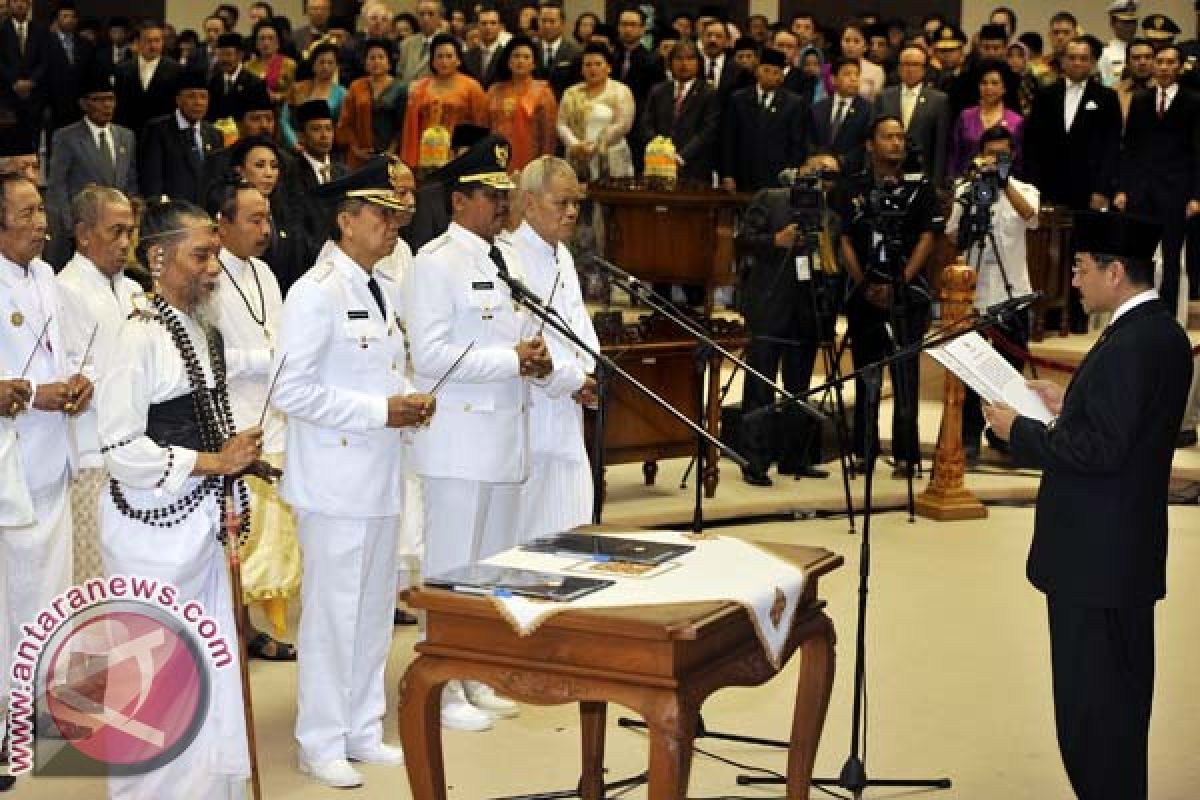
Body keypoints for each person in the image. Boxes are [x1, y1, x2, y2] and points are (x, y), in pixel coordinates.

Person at [983, 211, 1192, 800]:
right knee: (1117, 703)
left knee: (1093, 713)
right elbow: (1124, 426)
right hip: (1121, 549)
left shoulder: (1134, 341)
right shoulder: (1157, 332)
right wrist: (1066, 402)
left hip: (1095, 559)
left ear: (1115, 271)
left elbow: (1100, 450)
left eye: (1080, 269)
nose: (1074, 281)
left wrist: (1020, 430)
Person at [273, 161, 434, 788]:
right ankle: (320, 738)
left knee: (371, 612)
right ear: (345, 221)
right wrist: (380, 410)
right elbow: (293, 389)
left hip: (380, 476)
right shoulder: (314, 293)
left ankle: (362, 727)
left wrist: (410, 399)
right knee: (333, 614)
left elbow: (385, 371)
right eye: (379, 215)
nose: (392, 225)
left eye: (395, 215)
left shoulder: (381, 288)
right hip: (335, 481)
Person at [96, 199, 260, 799]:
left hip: (202, 527)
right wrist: (212, 461)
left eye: (216, 252)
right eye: (201, 254)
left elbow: (208, 418)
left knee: (209, 671)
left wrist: (234, 461)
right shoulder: (136, 336)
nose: (214, 266)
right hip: (151, 537)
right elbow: (119, 445)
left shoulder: (203, 331)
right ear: (158, 257)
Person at [405, 135, 550, 731]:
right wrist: (512, 359)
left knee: (491, 568)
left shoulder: (506, 259)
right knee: (452, 568)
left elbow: (518, 332)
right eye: (490, 195)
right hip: (459, 441)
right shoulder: (434, 263)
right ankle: (442, 688)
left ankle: (479, 672)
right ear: (459, 200)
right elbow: (432, 355)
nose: (501, 205)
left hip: (503, 437)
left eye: (504, 194)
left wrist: (535, 357)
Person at [0, 174, 90, 791]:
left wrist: (78, 384)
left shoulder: (48, 280)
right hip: (6, 465)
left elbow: (71, 356)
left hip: (50, 462)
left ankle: (31, 710)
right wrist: (28, 393)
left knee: (46, 596)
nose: (42, 223)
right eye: (28, 212)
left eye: (41, 211)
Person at [207, 178, 300, 657]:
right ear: (222, 225)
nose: (265, 229)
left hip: (274, 415)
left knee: (269, 539)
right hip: (233, 421)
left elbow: (282, 336)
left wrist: (276, 357)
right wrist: (269, 357)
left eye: (267, 218)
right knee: (238, 537)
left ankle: (251, 630)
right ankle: (229, 631)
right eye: (253, 220)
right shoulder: (208, 275)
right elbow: (216, 355)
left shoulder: (265, 272)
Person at [833, 115, 940, 475]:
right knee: (867, 373)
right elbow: (844, 238)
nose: (896, 143)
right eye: (888, 137)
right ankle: (864, 450)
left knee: (905, 374)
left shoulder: (921, 188)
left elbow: (928, 237)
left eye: (901, 137)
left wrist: (901, 281)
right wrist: (864, 283)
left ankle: (908, 455)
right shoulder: (852, 187)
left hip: (907, 293)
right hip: (864, 291)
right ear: (870, 143)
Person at [504, 156, 597, 538]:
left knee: (574, 522)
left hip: (569, 408)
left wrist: (592, 371)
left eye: (576, 203)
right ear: (528, 203)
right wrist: (574, 378)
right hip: (532, 409)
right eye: (562, 203)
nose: (572, 212)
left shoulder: (562, 254)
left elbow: (579, 325)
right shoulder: (510, 257)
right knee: (533, 532)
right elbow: (527, 342)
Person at [735, 154, 841, 486]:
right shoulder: (770, 198)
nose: (821, 181)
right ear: (799, 172)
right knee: (759, 386)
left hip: (807, 311)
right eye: (815, 173)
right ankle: (755, 461)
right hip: (768, 306)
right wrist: (775, 241)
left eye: (830, 177)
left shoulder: (832, 219)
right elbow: (742, 242)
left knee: (799, 389)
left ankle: (795, 458)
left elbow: (830, 268)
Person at [55, 187, 139, 585]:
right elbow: (75, 379)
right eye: (115, 231)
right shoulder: (63, 290)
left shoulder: (133, 290)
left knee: (130, 580)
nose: (125, 243)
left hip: (137, 453)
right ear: (84, 234)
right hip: (91, 456)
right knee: (93, 583)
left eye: (131, 232)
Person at [946, 126, 1038, 462]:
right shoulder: (966, 189)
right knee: (971, 371)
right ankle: (968, 437)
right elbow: (952, 233)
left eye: (1002, 155)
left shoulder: (1024, 189)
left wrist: (1003, 182)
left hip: (1012, 292)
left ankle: (1006, 437)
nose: (994, 161)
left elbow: (1031, 216)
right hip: (974, 294)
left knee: (1010, 372)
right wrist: (971, 189)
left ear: (1012, 156)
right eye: (990, 154)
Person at [1115, 43, 1200, 317]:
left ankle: (1168, 315)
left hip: (1176, 191)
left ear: (1179, 66)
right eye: (1159, 62)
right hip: (1141, 190)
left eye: (1169, 62)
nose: (1163, 67)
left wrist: (1196, 195)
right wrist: (1123, 189)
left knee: (1172, 257)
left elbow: (1198, 152)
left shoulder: (1193, 102)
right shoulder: (1140, 100)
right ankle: (1140, 312)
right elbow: (1130, 149)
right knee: (1139, 256)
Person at [45, 67, 139, 267]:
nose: (107, 105)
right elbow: (57, 186)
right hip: (82, 233)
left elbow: (130, 180)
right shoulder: (66, 137)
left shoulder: (126, 136)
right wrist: (71, 228)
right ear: (84, 104)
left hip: (117, 231)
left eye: (110, 99)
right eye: (99, 100)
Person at [226, 134, 310, 294]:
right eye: (259, 165)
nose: (269, 173)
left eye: (274, 166)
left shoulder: (286, 210)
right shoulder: (230, 212)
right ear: (240, 171)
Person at [719, 47, 806, 192]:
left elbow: (796, 144)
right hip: (743, 175)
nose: (770, 76)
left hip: (776, 178)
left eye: (775, 72)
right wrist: (728, 174)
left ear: (781, 77)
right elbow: (728, 140)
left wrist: (791, 176)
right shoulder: (738, 99)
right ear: (757, 71)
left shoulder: (794, 103)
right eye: (766, 70)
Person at [399, 33, 487, 170]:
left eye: (449, 56)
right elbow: (410, 129)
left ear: (458, 60)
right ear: (432, 61)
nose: (444, 61)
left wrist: (468, 154)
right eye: (439, 56)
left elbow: (480, 123)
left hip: (459, 157)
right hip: (425, 158)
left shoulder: (471, 86)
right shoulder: (420, 88)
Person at [640, 38, 720, 186]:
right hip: (659, 166)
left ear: (699, 63)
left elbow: (708, 130)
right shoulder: (658, 91)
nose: (684, 64)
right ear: (670, 63)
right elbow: (647, 124)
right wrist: (661, 151)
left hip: (694, 167)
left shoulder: (709, 93)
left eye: (690, 59)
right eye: (679, 58)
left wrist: (680, 157)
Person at [139, 69, 223, 204]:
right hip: (172, 214)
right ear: (178, 100)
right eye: (191, 96)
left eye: (203, 97)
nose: (198, 102)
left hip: (205, 215)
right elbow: (151, 181)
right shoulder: (158, 130)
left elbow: (217, 181)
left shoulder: (214, 134)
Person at [557, 42, 636, 180]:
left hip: (610, 156)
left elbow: (623, 124)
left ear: (609, 67)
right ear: (581, 69)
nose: (592, 69)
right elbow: (561, 124)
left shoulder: (621, 91)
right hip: (577, 155)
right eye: (587, 65)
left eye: (598, 64)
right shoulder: (571, 92)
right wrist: (574, 144)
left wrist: (596, 145)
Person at [874, 43, 950, 186]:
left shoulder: (939, 100)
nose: (910, 69)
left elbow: (940, 146)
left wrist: (937, 182)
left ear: (924, 69)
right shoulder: (884, 96)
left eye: (915, 64)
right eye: (905, 64)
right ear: (898, 67)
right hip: (888, 173)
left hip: (922, 172)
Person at [486, 35, 557, 172]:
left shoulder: (543, 92)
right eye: (516, 56)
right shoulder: (494, 90)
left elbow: (549, 135)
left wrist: (544, 166)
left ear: (534, 63)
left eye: (526, 57)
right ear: (508, 61)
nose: (520, 61)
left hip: (531, 163)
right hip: (495, 160)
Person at [336, 38, 407, 170]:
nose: (376, 62)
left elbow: (402, 126)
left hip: (391, 155)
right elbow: (346, 123)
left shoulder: (400, 88)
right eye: (372, 58)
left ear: (389, 63)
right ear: (365, 63)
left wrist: (390, 152)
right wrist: (357, 150)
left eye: (381, 57)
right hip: (359, 155)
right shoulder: (356, 86)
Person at [948, 60, 1023, 178]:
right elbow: (954, 156)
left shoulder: (1016, 121)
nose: (988, 88)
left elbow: (1019, 162)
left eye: (994, 83)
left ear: (1004, 88)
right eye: (984, 83)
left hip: (1006, 185)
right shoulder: (965, 116)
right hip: (966, 183)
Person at [113, 19, 182, 136]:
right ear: (138, 42)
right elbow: (119, 106)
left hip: (164, 134)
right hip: (130, 133)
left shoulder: (176, 70)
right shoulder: (123, 69)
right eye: (148, 41)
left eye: (157, 41)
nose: (153, 45)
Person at [809, 57, 873, 176]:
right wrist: (820, 159)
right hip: (818, 171)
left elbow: (865, 146)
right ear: (833, 79)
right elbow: (809, 139)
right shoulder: (817, 108)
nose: (853, 78)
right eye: (847, 74)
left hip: (851, 174)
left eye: (856, 74)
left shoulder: (867, 110)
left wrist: (839, 162)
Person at [282, 41, 346, 149]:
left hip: (326, 147)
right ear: (313, 65)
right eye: (321, 62)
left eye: (330, 63)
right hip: (297, 146)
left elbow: (341, 126)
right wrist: (293, 142)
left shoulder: (342, 93)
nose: (325, 66)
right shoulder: (297, 88)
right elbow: (284, 119)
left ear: (336, 66)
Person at [207, 32, 264, 125]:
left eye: (228, 55)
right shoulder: (212, 82)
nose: (224, 59)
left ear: (240, 55)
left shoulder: (255, 83)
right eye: (220, 55)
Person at [538, 1, 582, 98]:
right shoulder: (530, 50)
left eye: (552, 21)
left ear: (562, 24)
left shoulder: (575, 52)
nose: (547, 26)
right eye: (543, 21)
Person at [396, 0, 443, 84]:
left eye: (431, 14)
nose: (426, 18)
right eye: (421, 14)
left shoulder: (448, 43)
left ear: (440, 18)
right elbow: (400, 75)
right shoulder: (406, 44)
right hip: (408, 93)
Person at [463, 4, 510, 89]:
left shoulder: (508, 55)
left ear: (500, 27)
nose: (488, 27)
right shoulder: (467, 56)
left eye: (493, 23)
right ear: (477, 26)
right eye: (484, 23)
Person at [1100, 0, 1140, 88]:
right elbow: (1105, 84)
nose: (1130, 27)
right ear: (1112, 23)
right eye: (1125, 22)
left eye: (1133, 21)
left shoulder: (1144, 50)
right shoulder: (1104, 53)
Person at [1116, 38, 1156, 122]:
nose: (1142, 62)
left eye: (1148, 57)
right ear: (1127, 63)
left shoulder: (1165, 90)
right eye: (1136, 58)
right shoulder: (1115, 92)